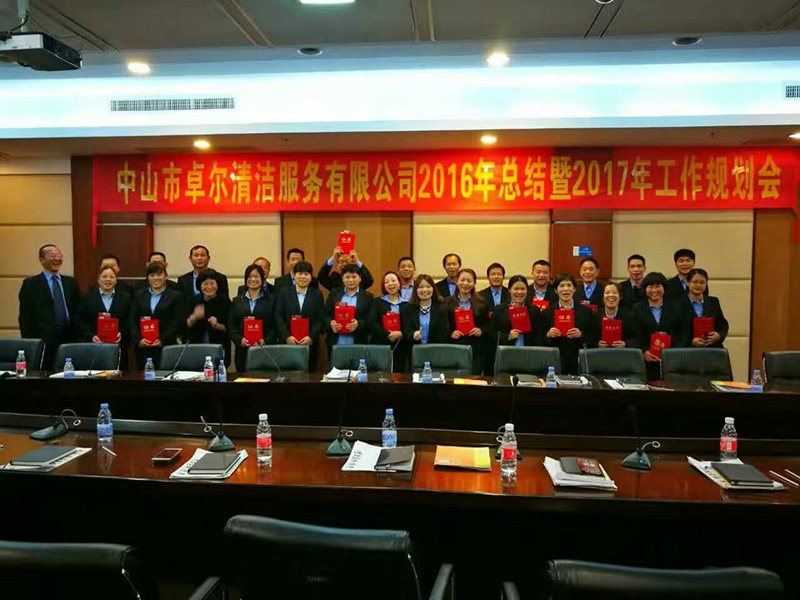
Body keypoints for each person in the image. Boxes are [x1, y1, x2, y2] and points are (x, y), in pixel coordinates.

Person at [18, 244, 82, 370]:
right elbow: (25, 317)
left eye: (59, 255)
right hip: (43, 342)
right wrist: (32, 344)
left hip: (69, 340)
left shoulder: (71, 283)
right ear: (42, 260)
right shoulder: (31, 284)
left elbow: (78, 311)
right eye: (52, 256)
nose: (57, 259)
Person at [633, 272, 691, 381]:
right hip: (647, 362)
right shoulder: (636, 309)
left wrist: (674, 352)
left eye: (657, 286)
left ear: (664, 288)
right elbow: (635, 335)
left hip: (673, 362)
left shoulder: (677, 307)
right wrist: (644, 351)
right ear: (645, 289)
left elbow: (684, 332)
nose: (654, 290)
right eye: (650, 287)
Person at [131, 261, 185, 370]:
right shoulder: (139, 295)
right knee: (144, 377)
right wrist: (139, 340)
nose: (156, 278)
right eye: (152, 275)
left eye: (159, 274)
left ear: (166, 276)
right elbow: (132, 319)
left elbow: (178, 322)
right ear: (148, 278)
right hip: (143, 347)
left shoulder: (175, 296)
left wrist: (162, 340)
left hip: (166, 346)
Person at [78, 265, 133, 368]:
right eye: (104, 277)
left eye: (111, 277)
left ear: (116, 280)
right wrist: (91, 336)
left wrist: (122, 334)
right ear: (98, 280)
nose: (108, 280)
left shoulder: (125, 298)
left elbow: (130, 321)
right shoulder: (88, 298)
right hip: (95, 346)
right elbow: (80, 321)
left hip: (118, 347)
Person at [542, 272, 596, 375]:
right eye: (561, 286)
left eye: (569, 285)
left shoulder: (586, 311)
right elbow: (539, 339)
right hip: (554, 361)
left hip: (577, 361)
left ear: (574, 289)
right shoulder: (547, 312)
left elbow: (593, 337)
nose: (565, 289)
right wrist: (548, 335)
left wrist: (581, 335)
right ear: (556, 290)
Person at [274, 261, 325, 369]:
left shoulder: (317, 295)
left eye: (306, 274)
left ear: (311, 277)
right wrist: (287, 336)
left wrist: (311, 337)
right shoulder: (284, 292)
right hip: (288, 342)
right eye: (300, 273)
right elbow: (278, 316)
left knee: (310, 373)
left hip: (310, 343)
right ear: (294, 275)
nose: (303, 277)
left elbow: (320, 319)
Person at [229, 264, 277, 373]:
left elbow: (275, 325)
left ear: (262, 279)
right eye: (250, 277)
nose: (253, 279)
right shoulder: (237, 301)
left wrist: (265, 340)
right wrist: (240, 340)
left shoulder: (271, 300)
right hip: (242, 351)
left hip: (265, 350)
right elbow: (232, 326)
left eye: (256, 277)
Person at [445, 268, 491, 374]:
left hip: (476, 349)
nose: (465, 284)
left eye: (469, 281)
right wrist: (451, 333)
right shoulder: (447, 302)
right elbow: (443, 325)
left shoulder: (482, 302)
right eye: (462, 280)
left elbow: (489, 325)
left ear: (474, 283)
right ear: (457, 281)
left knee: (474, 379)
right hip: (454, 347)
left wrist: (481, 330)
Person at [324, 264, 374, 357]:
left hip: (358, 342)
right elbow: (325, 315)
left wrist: (358, 324)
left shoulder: (368, 297)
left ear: (360, 278)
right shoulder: (334, 294)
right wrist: (330, 323)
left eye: (354, 277)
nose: (350, 280)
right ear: (342, 278)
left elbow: (371, 321)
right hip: (336, 342)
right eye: (347, 277)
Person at [185, 269, 232, 367]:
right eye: (205, 284)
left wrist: (217, 325)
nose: (209, 287)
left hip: (219, 347)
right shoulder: (193, 301)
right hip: (196, 348)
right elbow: (183, 327)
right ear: (200, 285)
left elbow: (230, 328)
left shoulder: (225, 302)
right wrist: (194, 317)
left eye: (212, 283)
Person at [490, 275, 543, 349]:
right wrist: (507, 337)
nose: (519, 292)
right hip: (507, 352)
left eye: (522, 289)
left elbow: (539, 335)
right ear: (509, 290)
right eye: (516, 289)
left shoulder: (534, 310)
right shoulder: (500, 309)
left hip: (528, 352)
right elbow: (491, 334)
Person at [371, 271, 409, 372]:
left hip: (400, 346)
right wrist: (388, 334)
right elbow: (372, 323)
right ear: (384, 286)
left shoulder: (407, 305)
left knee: (398, 373)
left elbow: (409, 325)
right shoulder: (377, 302)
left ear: (399, 284)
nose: (390, 284)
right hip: (381, 344)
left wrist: (401, 333)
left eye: (393, 280)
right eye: (387, 282)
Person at [401, 274, 449, 349]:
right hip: (414, 350)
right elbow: (406, 331)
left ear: (433, 289)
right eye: (421, 287)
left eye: (428, 286)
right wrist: (413, 335)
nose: (425, 290)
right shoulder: (408, 308)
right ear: (415, 290)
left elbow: (444, 333)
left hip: (435, 350)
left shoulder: (441, 308)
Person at [685, 268, 729, 349]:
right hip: (688, 351)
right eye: (695, 282)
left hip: (712, 349)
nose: (698, 285)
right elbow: (674, 332)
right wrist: (691, 341)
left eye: (702, 282)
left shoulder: (713, 302)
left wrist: (718, 336)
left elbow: (723, 326)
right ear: (688, 283)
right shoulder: (678, 304)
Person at [593, 281, 640, 349]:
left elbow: (637, 339)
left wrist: (625, 344)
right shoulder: (595, 316)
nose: (611, 295)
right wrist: (597, 343)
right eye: (607, 292)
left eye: (614, 292)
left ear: (620, 296)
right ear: (602, 296)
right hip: (600, 353)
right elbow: (590, 338)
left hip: (622, 353)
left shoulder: (630, 316)